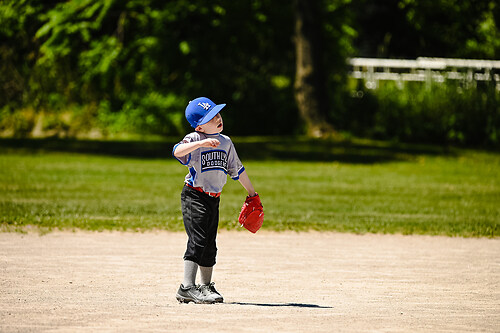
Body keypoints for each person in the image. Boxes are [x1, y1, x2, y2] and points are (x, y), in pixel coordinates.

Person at [172, 97, 258, 304]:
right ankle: (186, 287)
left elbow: (237, 170)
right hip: (194, 195)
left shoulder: (226, 142)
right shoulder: (194, 138)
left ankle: (205, 286)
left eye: (217, 114)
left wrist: (252, 193)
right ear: (200, 125)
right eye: (211, 117)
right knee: (198, 239)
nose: (218, 118)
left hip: (214, 199)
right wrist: (200, 142)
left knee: (210, 243)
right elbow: (176, 151)